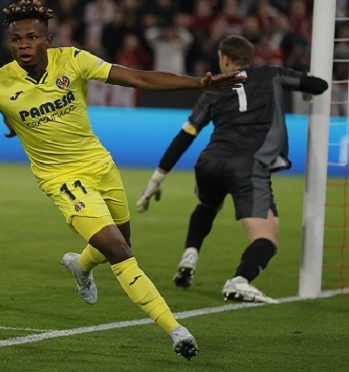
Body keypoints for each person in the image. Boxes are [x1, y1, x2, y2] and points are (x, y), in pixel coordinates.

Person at [0, 0, 243, 360]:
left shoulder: (73, 61)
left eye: (31, 38)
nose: (22, 45)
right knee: (121, 252)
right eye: (15, 39)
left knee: (121, 241)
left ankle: (81, 266)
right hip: (61, 180)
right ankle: (175, 330)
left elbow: (138, 78)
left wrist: (201, 84)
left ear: (47, 40)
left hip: (101, 166)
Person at [136, 35, 328, 303]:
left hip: (210, 162)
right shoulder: (272, 74)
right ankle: (239, 280)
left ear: (225, 59)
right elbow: (319, 85)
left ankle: (190, 254)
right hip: (249, 164)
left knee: (208, 204)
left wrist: (157, 179)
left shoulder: (213, 88)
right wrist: (306, 91)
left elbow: (186, 135)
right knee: (267, 238)